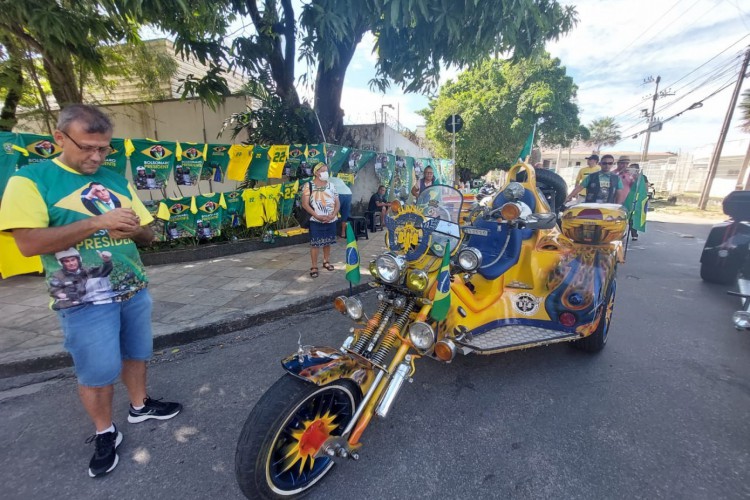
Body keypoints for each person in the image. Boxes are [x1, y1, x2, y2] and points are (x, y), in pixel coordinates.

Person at [0, 104, 181, 478]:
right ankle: (104, 431)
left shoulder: (116, 179)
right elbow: (29, 243)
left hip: (131, 286)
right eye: (87, 147)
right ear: (60, 138)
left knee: (136, 353)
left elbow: (148, 235)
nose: (96, 156)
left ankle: (140, 405)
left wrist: (135, 230)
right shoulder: (32, 179)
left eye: (103, 148)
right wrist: (98, 222)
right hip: (81, 296)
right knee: (97, 370)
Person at [301, 163, 339, 278]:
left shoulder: (331, 186)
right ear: (316, 173)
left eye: (326, 170)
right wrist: (317, 216)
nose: (325, 173)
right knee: (315, 244)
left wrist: (333, 214)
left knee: (327, 242)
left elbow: (337, 202)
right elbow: (305, 204)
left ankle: (326, 261)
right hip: (315, 220)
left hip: (331, 219)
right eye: (323, 170)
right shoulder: (309, 186)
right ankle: (314, 266)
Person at [328, 174, 352, 238]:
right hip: (348, 193)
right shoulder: (339, 179)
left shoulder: (326, 179)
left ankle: (332, 233)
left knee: (334, 213)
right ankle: (343, 233)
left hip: (338, 194)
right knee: (345, 214)